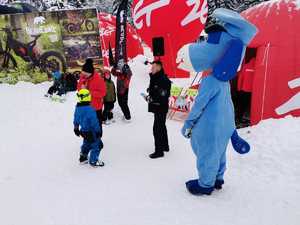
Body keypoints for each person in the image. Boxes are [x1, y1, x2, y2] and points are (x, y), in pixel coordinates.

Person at [145, 60, 171, 159]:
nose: (151, 69)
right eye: (152, 67)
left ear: (159, 68)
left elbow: (164, 95)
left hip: (160, 107)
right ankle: (165, 146)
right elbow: (156, 89)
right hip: (157, 106)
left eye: (153, 67)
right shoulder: (155, 77)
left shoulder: (163, 79)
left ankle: (159, 151)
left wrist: (153, 98)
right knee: (161, 126)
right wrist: (150, 91)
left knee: (157, 128)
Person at [73, 89, 104, 167]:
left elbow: (76, 118)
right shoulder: (90, 109)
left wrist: (76, 128)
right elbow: (94, 122)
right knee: (98, 145)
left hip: (83, 131)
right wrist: (98, 131)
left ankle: (83, 158)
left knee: (86, 143)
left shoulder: (78, 108)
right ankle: (93, 161)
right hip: (92, 131)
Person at [77, 59, 106, 126]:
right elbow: (78, 88)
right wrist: (81, 89)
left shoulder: (99, 80)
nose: (83, 75)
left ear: (90, 72)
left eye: (85, 74)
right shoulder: (83, 77)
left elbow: (103, 93)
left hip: (96, 107)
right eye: (83, 73)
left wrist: (89, 92)